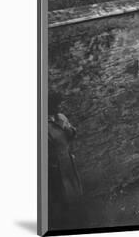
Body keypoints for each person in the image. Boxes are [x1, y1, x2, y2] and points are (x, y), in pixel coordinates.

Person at [48, 92, 83, 229]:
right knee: (60, 195)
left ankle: (76, 218)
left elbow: (73, 134)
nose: (59, 108)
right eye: (56, 105)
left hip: (67, 160)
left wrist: (67, 128)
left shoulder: (61, 117)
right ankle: (62, 224)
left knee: (73, 189)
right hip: (54, 166)